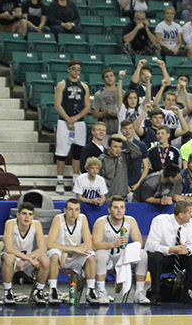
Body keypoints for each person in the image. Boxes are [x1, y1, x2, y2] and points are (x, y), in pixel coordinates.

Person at [90, 195, 149, 305]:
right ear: (109, 210)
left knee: (143, 254)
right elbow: (95, 245)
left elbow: (139, 243)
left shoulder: (130, 220)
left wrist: (129, 247)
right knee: (101, 254)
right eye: (115, 207)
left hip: (123, 257)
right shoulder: (101, 222)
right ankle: (101, 291)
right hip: (107, 257)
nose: (119, 211)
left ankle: (139, 292)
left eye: (122, 207)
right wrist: (113, 244)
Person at [144, 200, 192, 305]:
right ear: (180, 215)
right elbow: (151, 245)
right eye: (190, 213)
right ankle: (155, 294)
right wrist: (170, 249)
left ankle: (185, 293)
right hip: (164, 258)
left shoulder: (190, 223)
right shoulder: (160, 221)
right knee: (155, 256)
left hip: (179, 257)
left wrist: (187, 250)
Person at [46, 198, 94, 305]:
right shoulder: (58, 219)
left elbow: (88, 244)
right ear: (65, 210)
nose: (73, 213)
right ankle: (52, 291)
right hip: (58, 253)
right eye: (70, 209)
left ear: (79, 211)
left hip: (71, 253)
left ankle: (90, 291)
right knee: (54, 254)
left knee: (91, 255)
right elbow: (50, 244)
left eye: (76, 210)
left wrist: (68, 252)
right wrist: (70, 249)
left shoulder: (83, 218)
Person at [1, 202, 50, 306]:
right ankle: (7, 292)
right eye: (24, 213)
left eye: (30, 214)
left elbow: (42, 248)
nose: (27, 217)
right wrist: (27, 259)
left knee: (45, 260)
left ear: (33, 216)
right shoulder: (10, 223)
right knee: (9, 257)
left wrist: (25, 259)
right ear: (18, 215)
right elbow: (9, 248)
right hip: (12, 259)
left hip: (27, 259)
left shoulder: (36, 224)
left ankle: (38, 292)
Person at [53, 60, 91, 194]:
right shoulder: (62, 84)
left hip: (79, 122)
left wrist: (74, 119)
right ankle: (60, 180)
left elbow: (87, 106)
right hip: (64, 121)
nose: (76, 72)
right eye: (74, 69)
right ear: (69, 69)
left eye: (78, 69)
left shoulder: (84, 86)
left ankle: (75, 180)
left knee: (77, 152)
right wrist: (68, 119)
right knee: (62, 152)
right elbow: (57, 104)